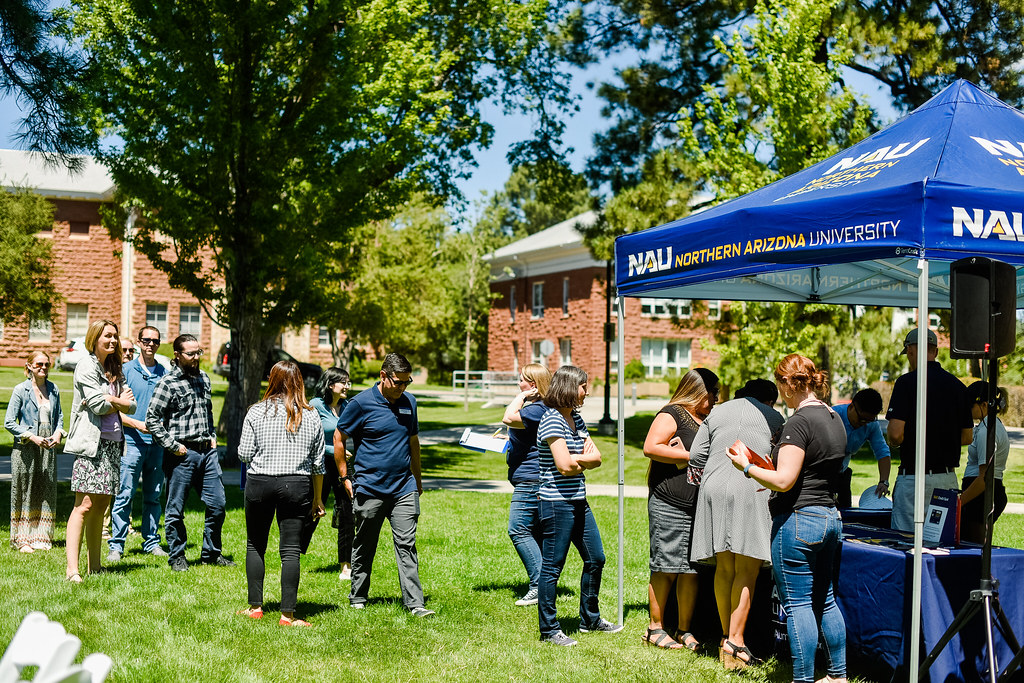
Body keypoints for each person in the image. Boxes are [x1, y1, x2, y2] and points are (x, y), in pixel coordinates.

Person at [727, 354, 847, 683]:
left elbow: (785, 481)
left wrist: (747, 467)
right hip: (829, 517)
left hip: (798, 520)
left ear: (789, 384)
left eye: (780, 384)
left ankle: (803, 679)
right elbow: (812, 469)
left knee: (797, 604)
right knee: (827, 599)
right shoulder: (834, 416)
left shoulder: (799, 422)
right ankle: (838, 676)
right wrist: (768, 466)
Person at [689, 378, 784, 669]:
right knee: (747, 568)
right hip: (750, 488)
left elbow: (695, 455)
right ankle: (737, 641)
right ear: (769, 400)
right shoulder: (774, 417)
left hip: (713, 487)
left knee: (724, 567)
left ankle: (724, 637)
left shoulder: (717, 412)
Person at [335, 352, 434, 617]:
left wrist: (418, 480)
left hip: (404, 487)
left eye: (406, 382)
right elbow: (339, 436)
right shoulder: (360, 404)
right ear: (383, 376)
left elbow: (414, 443)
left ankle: (415, 604)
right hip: (370, 487)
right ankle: (358, 595)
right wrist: (345, 477)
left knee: (406, 544)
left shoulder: (409, 402)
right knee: (365, 544)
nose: (402, 387)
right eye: (398, 382)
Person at [536, 365, 621, 647]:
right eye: (584, 386)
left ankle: (590, 619)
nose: (587, 391)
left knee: (596, 558)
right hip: (555, 504)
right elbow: (564, 465)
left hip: (578, 500)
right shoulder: (551, 420)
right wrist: (581, 460)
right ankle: (549, 630)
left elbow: (597, 458)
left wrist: (580, 461)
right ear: (571, 387)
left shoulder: (575, 419)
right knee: (552, 567)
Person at [237, 361, 326, 626]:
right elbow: (318, 463)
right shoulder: (311, 415)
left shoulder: (255, 412)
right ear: (300, 382)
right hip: (296, 485)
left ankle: (255, 607)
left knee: (255, 544)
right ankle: (288, 614)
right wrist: (318, 498)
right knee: (290, 551)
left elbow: (243, 454)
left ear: (271, 380)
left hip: (260, 482)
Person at [640, 368, 719, 651]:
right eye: (712, 394)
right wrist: (690, 456)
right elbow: (651, 447)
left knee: (690, 570)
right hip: (669, 503)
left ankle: (685, 629)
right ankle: (655, 628)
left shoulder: (706, 419)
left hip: (696, 506)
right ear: (698, 391)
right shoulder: (672, 412)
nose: (715, 400)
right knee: (665, 567)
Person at [146, 333, 233, 571]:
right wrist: (173, 446)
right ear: (177, 355)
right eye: (190, 353)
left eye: (199, 352)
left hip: (207, 454)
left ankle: (211, 554)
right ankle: (177, 556)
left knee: (218, 505)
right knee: (175, 509)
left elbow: (208, 413)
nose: (196, 358)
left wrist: (213, 437)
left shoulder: (204, 378)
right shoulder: (167, 383)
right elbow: (152, 419)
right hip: (181, 455)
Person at [64, 320, 136, 582]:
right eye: (108, 336)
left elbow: (133, 405)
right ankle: (73, 570)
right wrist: (119, 402)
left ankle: (95, 566)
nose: (113, 341)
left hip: (113, 442)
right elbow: (97, 405)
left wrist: (114, 401)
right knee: (83, 505)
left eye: (115, 336)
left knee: (102, 503)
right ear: (94, 337)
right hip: (90, 443)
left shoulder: (114, 367)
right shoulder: (86, 364)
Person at [885, 328, 973, 532]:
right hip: (946, 478)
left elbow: (896, 434)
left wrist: (895, 441)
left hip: (914, 479)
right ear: (936, 351)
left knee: (906, 545)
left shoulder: (906, 383)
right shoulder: (958, 386)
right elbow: (967, 436)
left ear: (911, 350)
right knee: (942, 546)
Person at [107, 326, 169, 561]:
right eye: (146, 340)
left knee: (153, 495)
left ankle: (151, 542)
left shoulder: (165, 373)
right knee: (125, 494)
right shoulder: (126, 371)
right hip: (132, 442)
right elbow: (114, 411)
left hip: (157, 444)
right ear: (139, 342)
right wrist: (137, 424)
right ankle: (117, 545)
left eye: (155, 340)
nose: (151, 344)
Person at [501, 363, 553, 608]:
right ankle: (547, 585)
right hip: (535, 477)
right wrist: (509, 439)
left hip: (531, 480)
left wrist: (521, 396)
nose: (518, 384)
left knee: (518, 529)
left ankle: (538, 586)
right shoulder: (541, 409)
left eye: (521, 381)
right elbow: (523, 432)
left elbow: (508, 417)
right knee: (536, 533)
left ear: (533, 385)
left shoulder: (537, 408)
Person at [5, 351, 64, 552]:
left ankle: (41, 536)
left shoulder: (53, 389)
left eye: (47, 364)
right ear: (29, 366)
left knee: (45, 488)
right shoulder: (20, 390)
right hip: (26, 447)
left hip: (48, 445)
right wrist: (32, 436)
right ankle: (22, 539)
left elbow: (60, 417)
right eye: (39, 364)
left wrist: (58, 434)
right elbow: (9, 423)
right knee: (25, 489)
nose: (44, 367)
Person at [310, 366, 355, 581]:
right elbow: (310, 440)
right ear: (330, 385)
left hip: (342, 465)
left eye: (348, 382)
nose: (347, 386)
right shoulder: (315, 406)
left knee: (347, 512)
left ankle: (346, 565)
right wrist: (334, 450)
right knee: (312, 510)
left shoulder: (347, 406)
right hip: (320, 465)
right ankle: (292, 556)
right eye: (343, 382)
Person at [960, 381, 1010, 544]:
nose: (967, 409)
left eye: (970, 405)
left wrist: (959, 503)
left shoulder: (986, 431)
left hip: (981, 497)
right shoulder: (989, 426)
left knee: (973, 549)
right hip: (982, 495)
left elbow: (984, 478)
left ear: (984, 404)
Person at [831, 388, 891, 508]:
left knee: (845, 511)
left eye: (869, 420)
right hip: (822, 472)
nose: (864, 424)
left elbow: (882, 452)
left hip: (843, 472)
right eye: (861, 419)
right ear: (852, 406)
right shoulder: (832, 416)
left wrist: (883, 482)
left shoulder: (871, 425)